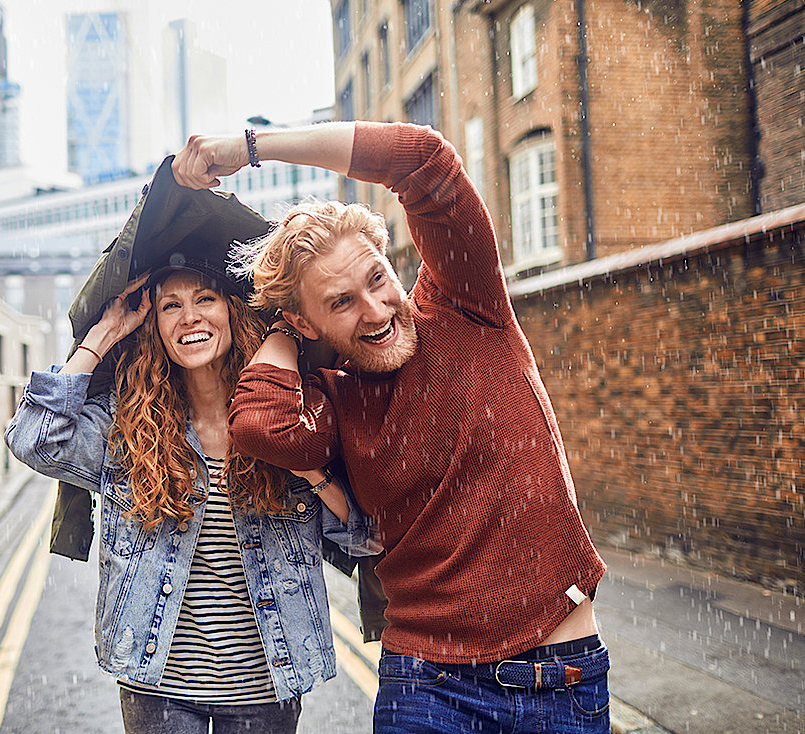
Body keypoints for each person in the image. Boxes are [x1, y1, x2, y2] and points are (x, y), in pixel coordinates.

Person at [171, 121, 610, 733]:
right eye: (340, 302)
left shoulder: (466, 305)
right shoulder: (333, 402)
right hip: (425, 685)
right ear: (306, 321)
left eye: (376, 278)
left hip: (557, 678)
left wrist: (251, 149)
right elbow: (260, 426)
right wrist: (280, 333)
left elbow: (422, 158)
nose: (376, 311)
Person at [4, 255, 373, 734]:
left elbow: (365, 539)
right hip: (158, 689)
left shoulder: (284, 418)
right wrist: (104, 333)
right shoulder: (128, 428)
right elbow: (33, 437)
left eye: (205, 299)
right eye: (170, 306)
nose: (190, 317)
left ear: (232, 312)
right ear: (154, 325)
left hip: (265, 689)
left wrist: (311, 470)